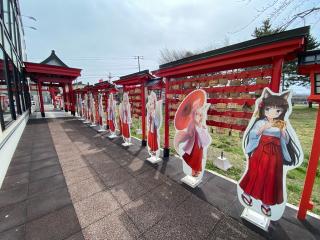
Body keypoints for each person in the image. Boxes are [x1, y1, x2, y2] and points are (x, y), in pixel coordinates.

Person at [239, 88, 302, 217]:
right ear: (264, 109)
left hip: (275, 155)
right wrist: (262, 128)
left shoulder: (280, 123)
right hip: (261, 151)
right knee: (257, 173)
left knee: (272, 177)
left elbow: (286, 139)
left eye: (277, 110)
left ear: (282, 111)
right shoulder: (261, 122)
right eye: (268, 109)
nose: (272, 113)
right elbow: (253, 134)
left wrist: (284, 133)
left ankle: (267, 202)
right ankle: (247, 193)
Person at [174, 89, 211, 178]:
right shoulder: (192, 124)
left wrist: (202, 128)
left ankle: (196, 171)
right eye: (197, 114)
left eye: (200, 115)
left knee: (198, 158)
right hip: (194, 146)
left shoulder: (201, 126)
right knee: (194, 158)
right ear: (193, 115)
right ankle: (194, 171)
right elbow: (189, 134)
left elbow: (204, 136)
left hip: (200, 146)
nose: (199, 117)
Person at [146, 91, 162, 157]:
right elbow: (148, 111)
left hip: (154, 123)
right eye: (151, 97)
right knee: (150, 135)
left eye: (153, 97)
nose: (151, 98)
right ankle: (152, 149)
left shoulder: (156, 104)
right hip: (150, 122)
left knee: (154, 136)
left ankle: (154, 149)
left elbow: (156, 114)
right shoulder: (149, 103)